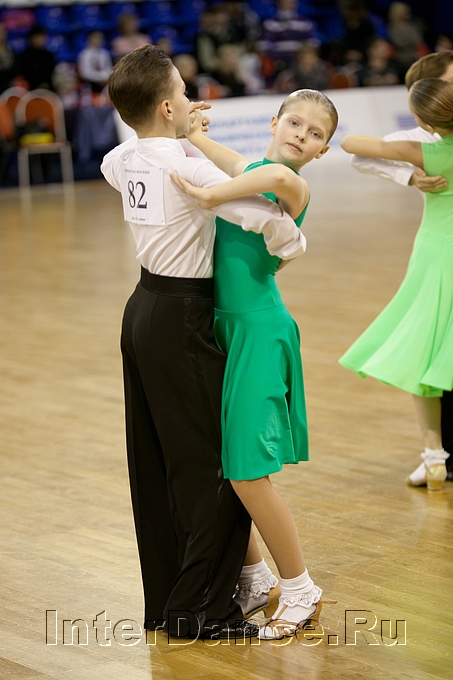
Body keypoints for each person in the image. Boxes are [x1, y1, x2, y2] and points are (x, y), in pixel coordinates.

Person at [100, 44, 307, 641]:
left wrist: (184, 137)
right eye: (185, 93)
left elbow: (117, 162)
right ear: (167, 107)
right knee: (212, 466)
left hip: (141, 310)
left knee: (157, 459)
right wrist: (292, 246)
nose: (192, 100)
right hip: (183, 319)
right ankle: (204, 612)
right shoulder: (189, 168)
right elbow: (267, 218)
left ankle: (172, 601)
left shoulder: (125, 157)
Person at [171, 88, 338, 640]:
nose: (302, 135)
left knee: (247, 472)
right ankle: (255, 577)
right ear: (274, 121)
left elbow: (265, 177)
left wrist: (205, 192)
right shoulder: (253, 170)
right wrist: (194, 136)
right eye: (295, 123)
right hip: (221, 329)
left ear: (323, 151)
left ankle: (300, 588)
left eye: (315, 134)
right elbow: (237, 162)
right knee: (223, 465)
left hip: (259, 332)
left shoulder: (291, 183)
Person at [340, 77, 453, 491]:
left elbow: (350, 143)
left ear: (424, 122)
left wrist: (412, 171)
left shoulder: (422, 151)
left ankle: (434, 455)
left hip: (436, 257)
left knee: (424, 351)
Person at [17, 25, 56, 91]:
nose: (41, 39)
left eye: (42, 36)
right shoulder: (25, 56)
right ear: (31, 38)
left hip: (48, 88)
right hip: (30, 89)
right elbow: (26, 74)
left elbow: (51, 72)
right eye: (38, 36)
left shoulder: (49, 55)